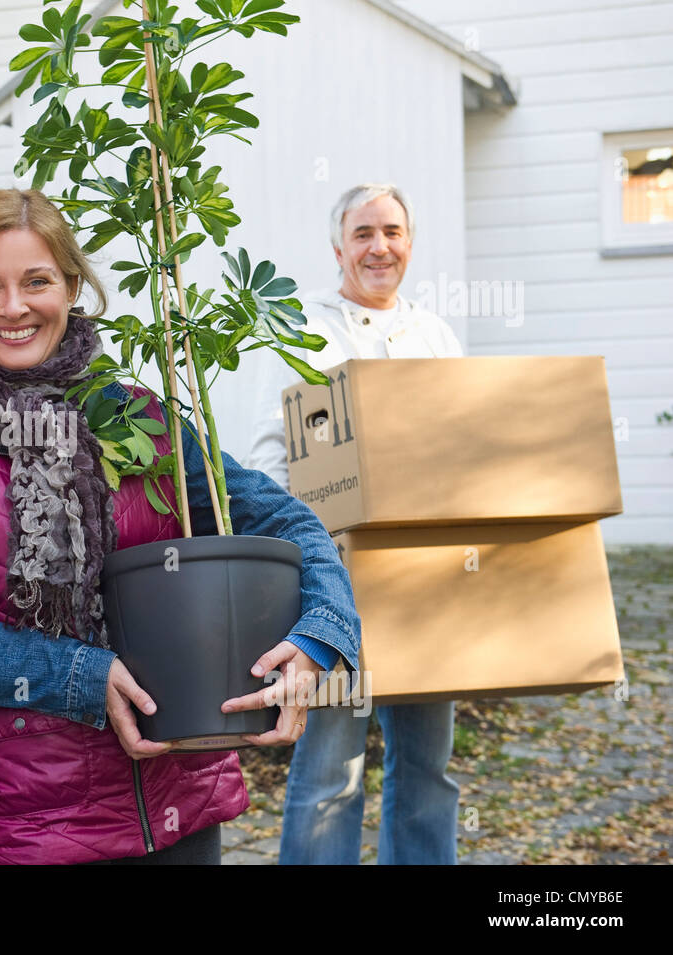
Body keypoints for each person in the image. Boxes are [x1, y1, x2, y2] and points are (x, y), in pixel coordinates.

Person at [0, 188, 361, 865]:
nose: (13, 306)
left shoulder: (143, 423)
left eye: (36, 281)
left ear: (72, 286)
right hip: (32, 827)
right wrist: (80, 676)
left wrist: (320, 635)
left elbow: (282, 518)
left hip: (178, 803)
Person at [237, 182, 464, 865]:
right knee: (332, 766)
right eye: (363, 233)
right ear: (338, 246)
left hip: (425, 583)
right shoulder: (304, 331)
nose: (379, 247)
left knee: (428, 765)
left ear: (410, 243)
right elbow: (264, 458)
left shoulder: (436, 335)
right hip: (337, 585)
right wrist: (302, 561)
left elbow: (465, 451)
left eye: (391, 231)